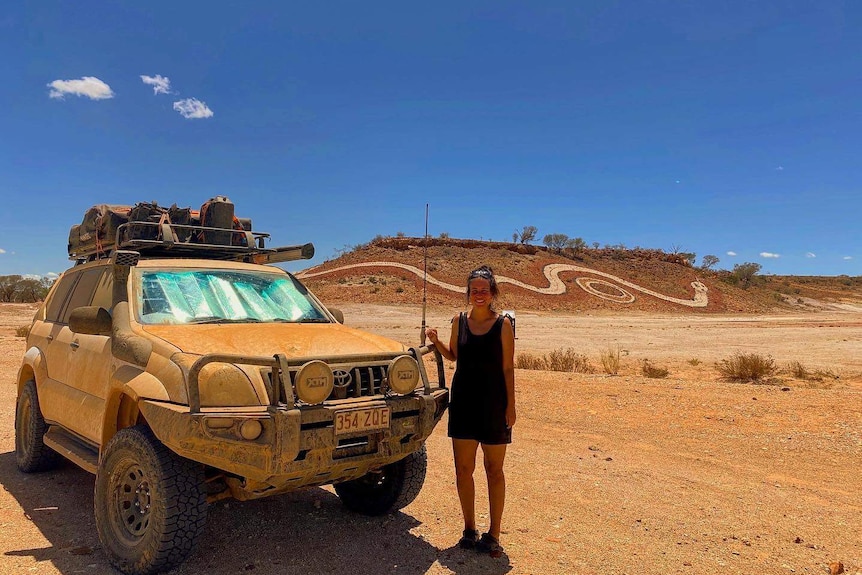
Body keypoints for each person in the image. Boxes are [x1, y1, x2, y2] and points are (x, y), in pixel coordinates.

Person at [425, 265, 516, 558]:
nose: (479, 294)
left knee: (494, 470)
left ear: (493, 293)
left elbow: (508, 367)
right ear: (468, 293)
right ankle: (469, 529)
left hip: (494, 405)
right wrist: (436, 341)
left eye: (484, 290)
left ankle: (494, 534)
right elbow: (454, 355)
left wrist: (511, 406)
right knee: (463, 470)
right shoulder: (458, 321)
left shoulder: (503, 325)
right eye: (474, 290)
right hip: (463, 403)